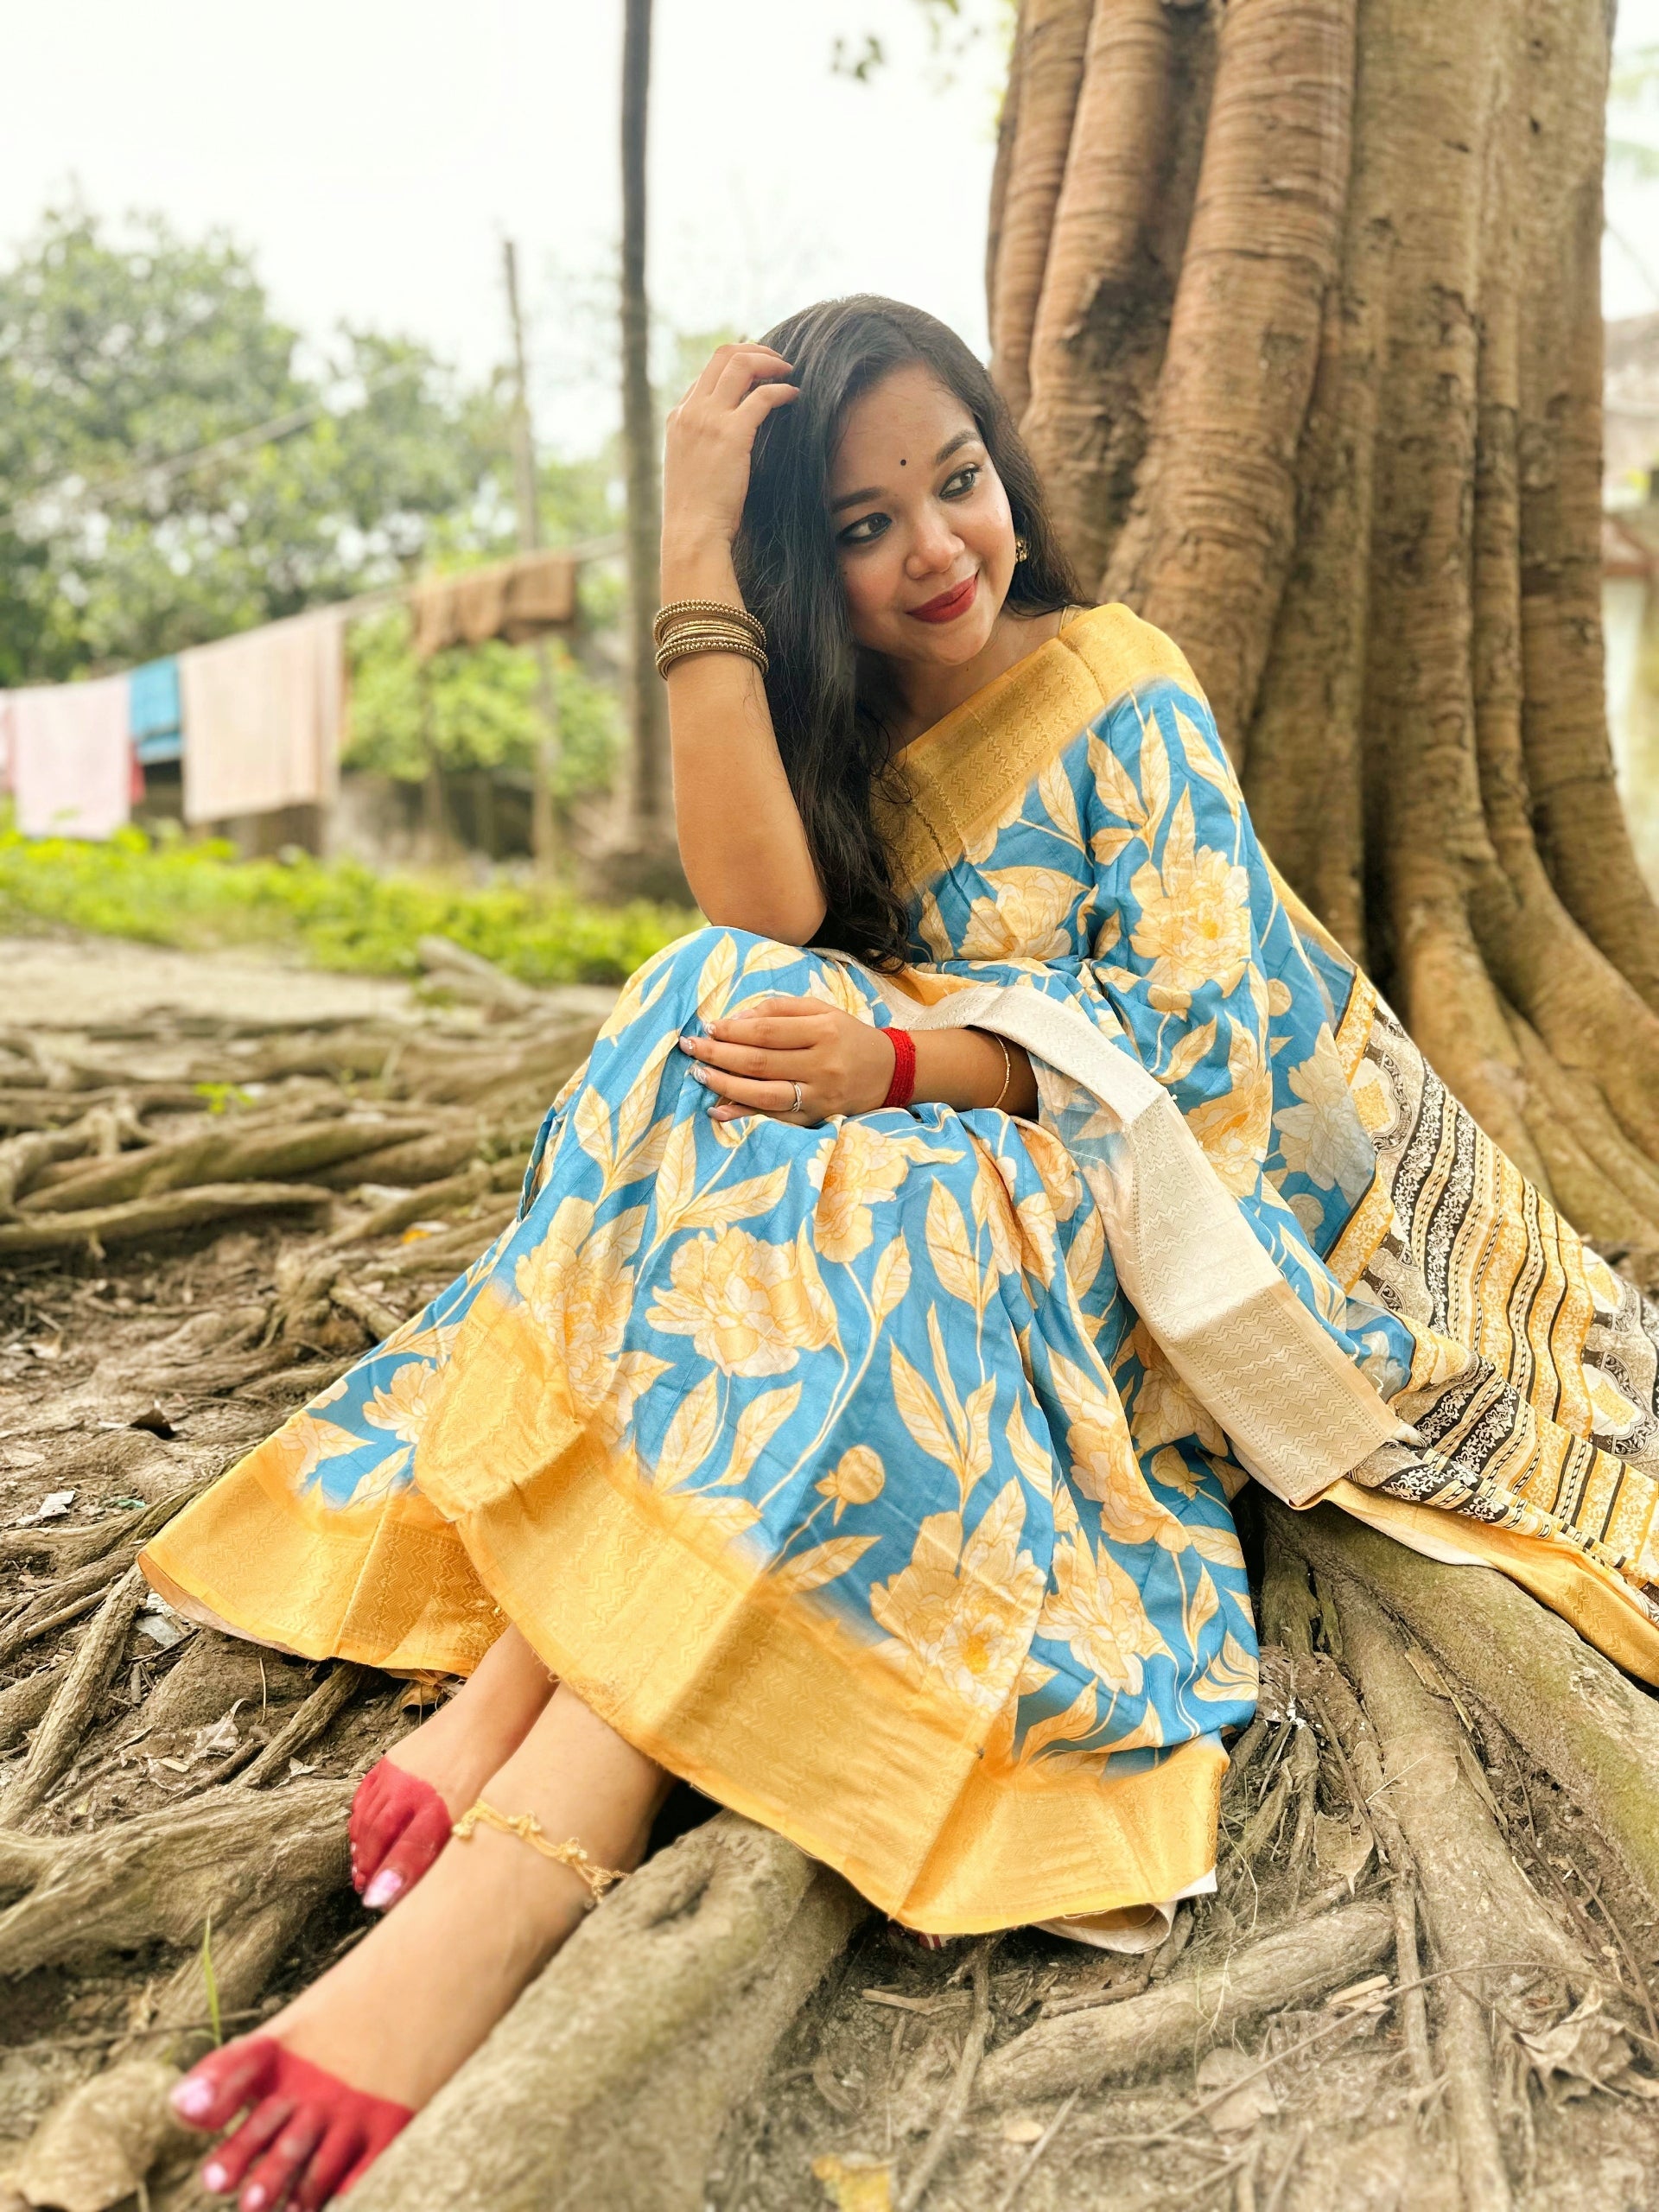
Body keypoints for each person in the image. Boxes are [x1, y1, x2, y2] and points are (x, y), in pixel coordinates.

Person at [146, 296, 1659, 2209]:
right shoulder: (829, 720)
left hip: (1200, 1189)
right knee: (713, 998)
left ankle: (549, 1804)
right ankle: (549, 1670)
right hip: (901, 1158)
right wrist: (691, 545)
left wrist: (897, 1063)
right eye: (862, 527)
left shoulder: (1116, 677)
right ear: (803, 560)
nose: (939, 550)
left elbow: (1200, 1066)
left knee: (921, 1176)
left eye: (958, 483)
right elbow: (762, 916)